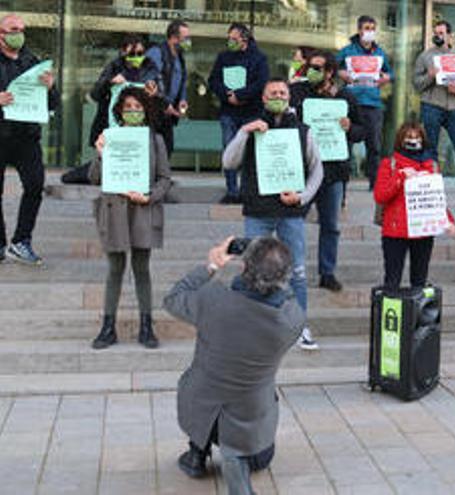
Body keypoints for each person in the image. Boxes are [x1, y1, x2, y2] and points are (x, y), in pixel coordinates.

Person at [165, 237, 303, 495]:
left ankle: (197, 454)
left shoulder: (213, 299)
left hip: (198, 407)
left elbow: (173, 298)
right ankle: (235, 459)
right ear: (285, 276)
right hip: (250, 422)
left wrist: (212, 265)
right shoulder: (290, 321)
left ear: (243, 267)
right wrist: (273, 267)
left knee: (211, 393)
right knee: (261, 459)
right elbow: (288, 294)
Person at [223, 78, 324, 351]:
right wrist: (244, 132)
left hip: (291, 211)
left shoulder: (304, 131)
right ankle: (255, 327)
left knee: (298, 272)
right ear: (264, 99)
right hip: (258, 210)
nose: (278, 96)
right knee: (253, 271)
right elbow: (228, 162)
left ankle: (299, 326)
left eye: (282, 92)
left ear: (289, 97)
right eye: (272, 93)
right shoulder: (253, 128)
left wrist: (301, 196)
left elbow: (317, 171)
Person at [88, 86, 172, 350]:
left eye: (138, 107)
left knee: (141, 268)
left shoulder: (155, 140)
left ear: (145, 110)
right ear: (119, 111)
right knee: (114, 269)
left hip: (142, 209)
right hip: (114, 209)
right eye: (128, 108)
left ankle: (146, 325)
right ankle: (108, 326)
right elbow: (93, 177)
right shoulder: (109, 137)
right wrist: (100, 153)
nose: (133, 112)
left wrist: (150, 196)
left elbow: (165, 179)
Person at [289, 50, 365, 293]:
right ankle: (292, 270)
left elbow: (362, 131)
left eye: (318, 67)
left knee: (330, 224)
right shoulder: (298, 92)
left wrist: (350, 126)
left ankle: (327, 272)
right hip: (301, 169)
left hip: (333, 170)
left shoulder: (346, 97)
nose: (312, 70)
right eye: (310, 66)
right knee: (292, 222)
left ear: (330, 72)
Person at [0, 13, 58, 265]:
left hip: (27, 136)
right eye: (13, 29)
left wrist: (50, 87)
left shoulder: (32, 61)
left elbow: (52, 104)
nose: (18, 34)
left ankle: (21, 240)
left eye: (22, 29)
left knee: (35, 186)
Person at [374, 122, 455, 289]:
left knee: (419, 281)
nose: (414, 141)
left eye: (418, 137)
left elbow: (436, 199)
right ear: (400, 140)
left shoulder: (431, 166)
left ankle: (417, 315)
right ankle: (393, 315)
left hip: (423, 231)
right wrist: (400, 178)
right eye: (409, 137)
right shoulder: (389, 164)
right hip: (395, 231)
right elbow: (380, 196)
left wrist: (448, 221)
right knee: (392, 282)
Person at [208, 23, 269, 204]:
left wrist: (241, 96)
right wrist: (228, 96)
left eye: (234, 39)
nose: (230, 42)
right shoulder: (223, 57)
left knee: (250, 153)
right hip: (229, 112)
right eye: (229, 38)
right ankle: (232, 191)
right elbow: (213, 80)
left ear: (245, 39)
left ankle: (248, 190)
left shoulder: (259, 58)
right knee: (230, 150)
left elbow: (261, 83)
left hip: (251, 112)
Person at [337, 15, 393, 188]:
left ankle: (374, 183)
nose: (369, 31)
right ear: (359, 30)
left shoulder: (380, 52)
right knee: (346, 144)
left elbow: (390, 73)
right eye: (366, 28)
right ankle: (343, 183)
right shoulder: (347, 51)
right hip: (351, 102)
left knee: (374, 146)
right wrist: (341, 73)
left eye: (372, 28)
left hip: (373, 104)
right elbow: (332, 67)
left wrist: (386, 78)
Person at [413, 20, 455, 175]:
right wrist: (429, 76)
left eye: (441, 33)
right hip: (431, 105)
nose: (437, 36)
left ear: (449, 36)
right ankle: (432, 179)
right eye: (435, 33)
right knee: (430, 145)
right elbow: (417, 84)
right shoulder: (424, 57)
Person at [89, 34, 161, 152]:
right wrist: (110, 82)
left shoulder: (150, 68)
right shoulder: (114, 67)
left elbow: (163, 98)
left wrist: (155, 92)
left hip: (143, 129)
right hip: (112, 126)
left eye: (140, 53)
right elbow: (95, 94)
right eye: (132, 54)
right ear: (123, 52)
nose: (136, 57)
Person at [146, 20, 190, 158]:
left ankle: (161, 177)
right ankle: (155, 178)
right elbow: (151, 82)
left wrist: (182, 100)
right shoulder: (156, 53)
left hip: (168, 113)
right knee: (153, 149)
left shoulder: (180, 57)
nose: (188, 41)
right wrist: (164, 103)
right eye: (186, 38)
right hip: (154, 110)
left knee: (167, 148)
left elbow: (182, 81)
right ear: (173, 37)